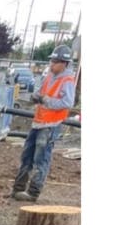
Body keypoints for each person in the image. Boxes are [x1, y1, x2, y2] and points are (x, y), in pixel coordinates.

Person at [11, 45, 77, 202]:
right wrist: (36, 97)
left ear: (65, 63)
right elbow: (40, 93)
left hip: (50, 125)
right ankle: (18, 188)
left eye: (55, 61)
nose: (51, 64)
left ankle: (33, 192)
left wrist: (46, 100)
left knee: (41, 159)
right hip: (38, 123)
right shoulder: (49, 76)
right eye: (52, 61)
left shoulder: (67, 80)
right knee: (26, 156)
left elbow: (67, 102)